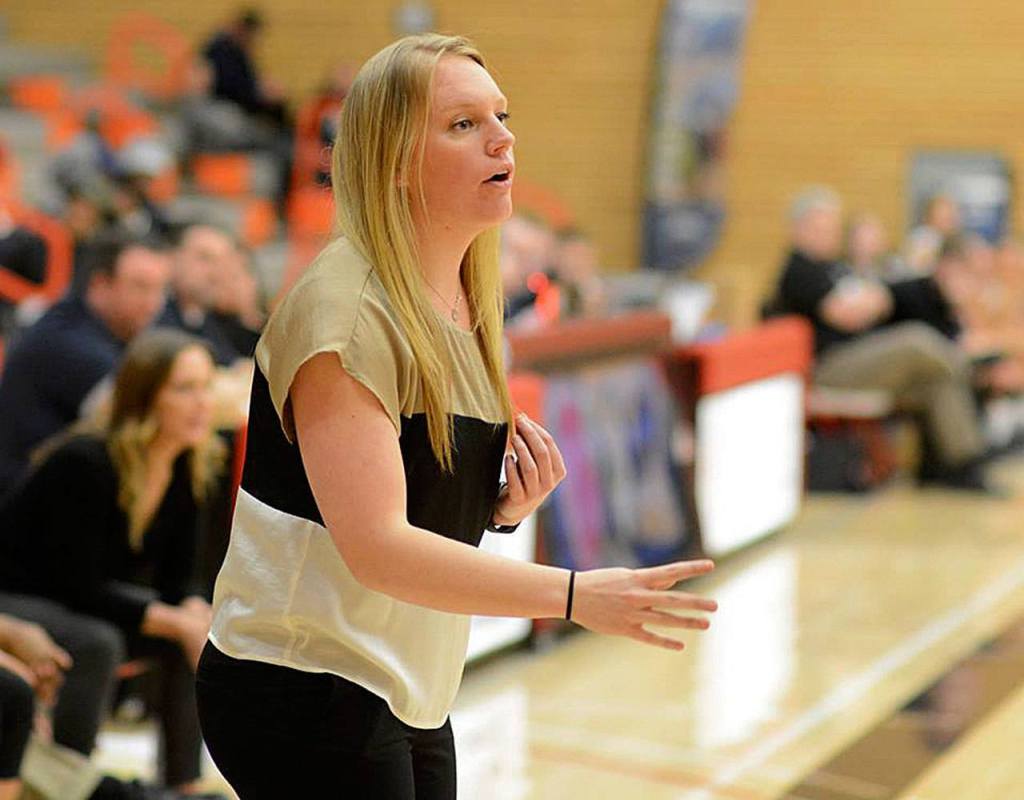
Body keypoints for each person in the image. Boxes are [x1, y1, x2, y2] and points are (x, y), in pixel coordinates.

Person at [195, 33, 718, 799]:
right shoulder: (345, 316)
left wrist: (499, 508)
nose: (502, 138)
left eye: (501, 116)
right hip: (301, 679)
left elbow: (407, 494)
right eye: (464, 124)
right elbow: (378, 548)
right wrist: (574, 595)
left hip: (400, 676)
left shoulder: (468, 296)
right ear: (394, 160)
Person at [0, 329, 226, 794]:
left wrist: (192, 611)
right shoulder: (85, 461)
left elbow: (182, 578)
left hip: (86, 600)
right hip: (19, 596)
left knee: (196, 634)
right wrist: (175, 620)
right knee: (99, 642)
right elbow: (74, 583)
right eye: (184, 389)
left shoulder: (187, 464)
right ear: (145, 396)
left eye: (207, 387)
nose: (202, 403)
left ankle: (182, 784)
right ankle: (70, 784)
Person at [772, 187, 993, 491]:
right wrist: (872, 301)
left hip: (860, 360)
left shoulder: (835, 267)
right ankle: (968, 368)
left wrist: (872, 300)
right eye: (819, 228)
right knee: (916, 340)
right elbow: (847, 314)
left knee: (934, 378)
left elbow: (874, 303)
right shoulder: (799, 269)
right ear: (798, 229)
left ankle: (961, 466)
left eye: (832, 228)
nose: (828, 235)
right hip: (829, 367)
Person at [0, 233, 171, 494]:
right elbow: (151, 419)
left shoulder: (100, 327)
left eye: (160, 289)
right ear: (100, 285)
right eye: (140, 287)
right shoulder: (68, 343)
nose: (153, 303)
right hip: (25, 498)